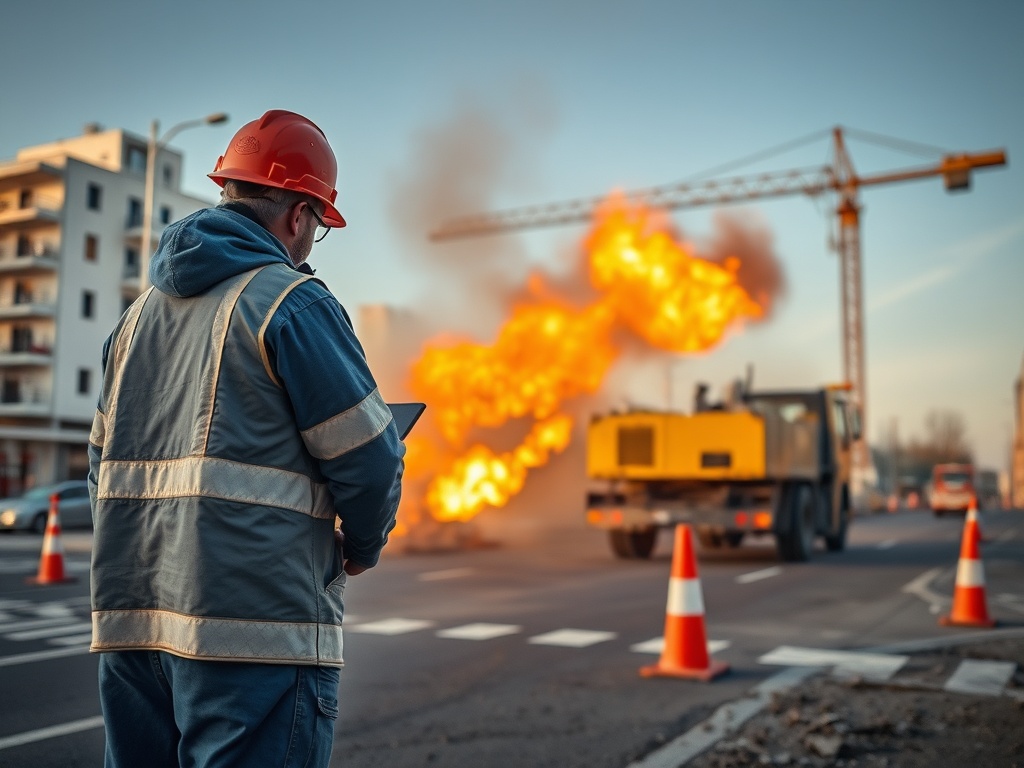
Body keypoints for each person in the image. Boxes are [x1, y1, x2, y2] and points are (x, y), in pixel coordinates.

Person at [88, 109, 406, 768]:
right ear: (299, 216)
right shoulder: (292, 304)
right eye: (318, 226)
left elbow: (102, 469)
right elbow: (372, 461)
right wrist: (363, 545)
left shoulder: (134, 320)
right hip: (255, 640)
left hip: (132, 632)